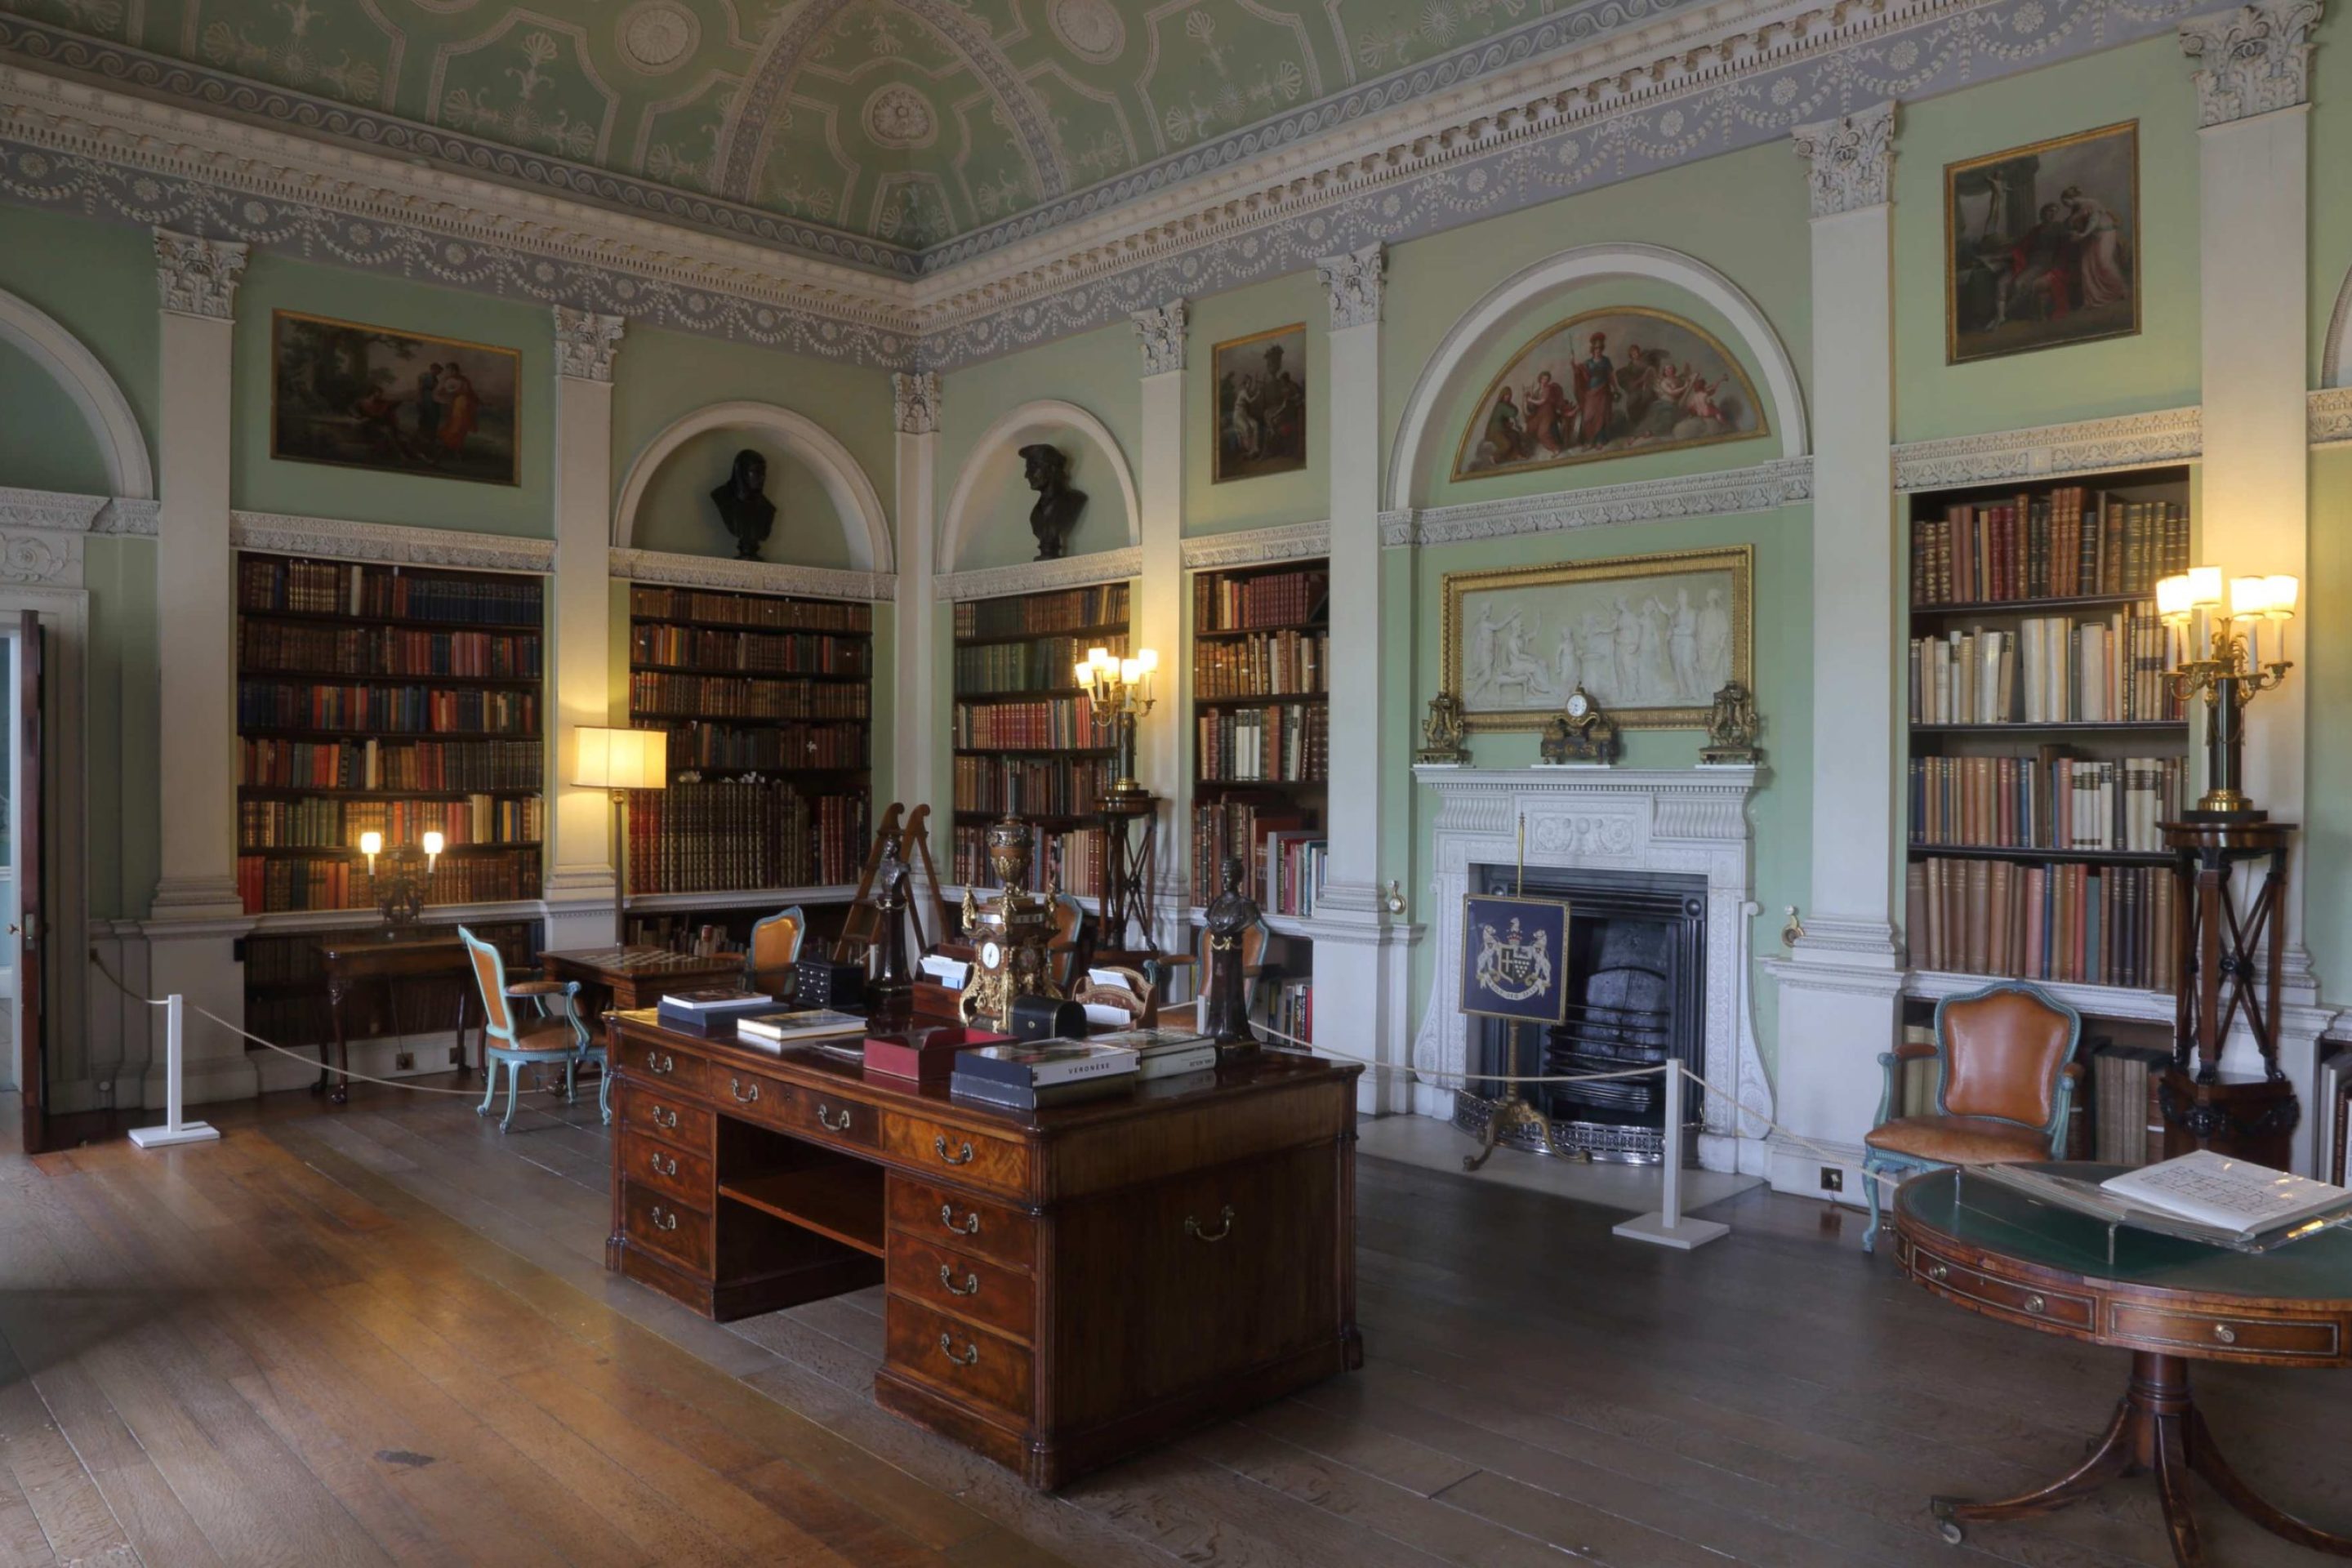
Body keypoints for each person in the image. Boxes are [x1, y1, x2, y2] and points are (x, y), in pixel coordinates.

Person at [2062, 185, 2129, 310]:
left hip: (2104, 234)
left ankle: (2120, 290)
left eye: (2064, 202)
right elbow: (2075, 224)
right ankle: (2092, 299)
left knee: (2104, 264)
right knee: (2088, 267)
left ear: (2069, 198)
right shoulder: (2077, 210)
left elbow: (2094, 221)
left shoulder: (2091, 203)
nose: (2064, 205)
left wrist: (2083, 235)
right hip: (2091, 237)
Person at [1574, 332, 1617, 448]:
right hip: (1590, 392)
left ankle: (1600, 440)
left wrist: (1616, 388)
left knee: (1601, 416)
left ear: (1602, 349)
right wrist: (1575, 368)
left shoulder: (1606, 360)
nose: (1598, 350)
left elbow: (1610, 376)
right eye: (1596, 348)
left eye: (1600, 348)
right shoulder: (1587, 363)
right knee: (1588, 416)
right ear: (1593, 349)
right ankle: (1589, 440)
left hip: (1603, 390)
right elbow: (1581, 375)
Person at [435, 359, 479, 458]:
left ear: (457, 370)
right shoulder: (446, 381)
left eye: (454, 370)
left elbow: (471, 392)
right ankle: (445, 450)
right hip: (455, 406)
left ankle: (458, 450)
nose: (452, 372)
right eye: (449, 370)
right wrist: (446, 399)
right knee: (454, 427)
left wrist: (478, 401)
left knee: (463, 428)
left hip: (467, 406)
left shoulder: (464, 380)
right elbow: (438, 393)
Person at [1481, 385, 1526, 464]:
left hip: (1503, 429)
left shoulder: (1505, 405)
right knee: (1506, 444)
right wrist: (1513, 406)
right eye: (1506, 395)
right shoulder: (1501, 405)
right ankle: (1494, 457)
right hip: (1495, 431)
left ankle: (1516, 455)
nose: (1507, 397)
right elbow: (1513, 413)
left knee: (1515, 435)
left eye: (1509, 395)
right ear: (1502, 396)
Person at [413, 363, 442, 441]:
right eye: (438, 370)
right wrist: (419, 398)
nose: (439, 372)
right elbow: (421, 388)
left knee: (432, 418)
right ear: (433, 369)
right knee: (427, 417)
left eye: (440, 370)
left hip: (431, 399)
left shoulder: (434, 377)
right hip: (426, 400)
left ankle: (429, 435)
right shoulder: (427, 377)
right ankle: (423, 436)